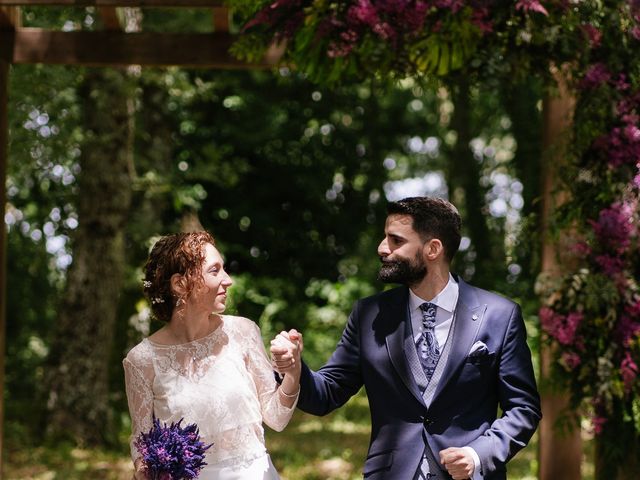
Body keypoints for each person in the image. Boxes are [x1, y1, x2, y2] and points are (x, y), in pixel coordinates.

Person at [272, 196, 541, 480]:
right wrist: (294, 368)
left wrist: (477, 455)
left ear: (433, 249)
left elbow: (523, 409)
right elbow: (326, 395)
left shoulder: (500, 315)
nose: (382, 247)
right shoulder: (369, 314)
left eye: (395, 240)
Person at [123, 231, 301, 480]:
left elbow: (277, 418)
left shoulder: (243, 332)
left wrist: (293, 372)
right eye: (215, 271)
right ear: (180, 284)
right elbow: (141, 443)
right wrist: (146, 469)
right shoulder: (141, 360)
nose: (228, 280)